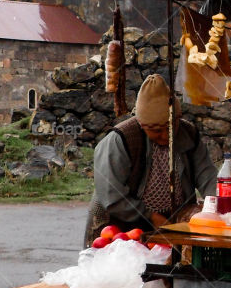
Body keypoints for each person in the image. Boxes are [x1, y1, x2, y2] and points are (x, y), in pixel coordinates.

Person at [85, 73, 218, 246]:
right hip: (120, 223)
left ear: (178, 119)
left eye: (170, 128)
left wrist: (216, 208)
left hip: (172, 221)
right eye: (156, 130)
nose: (164, 136)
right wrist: (151, 216)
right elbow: (112, 194)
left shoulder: (188, 134)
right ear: (142, 123)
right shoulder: (120, 139)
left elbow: (207, 177)